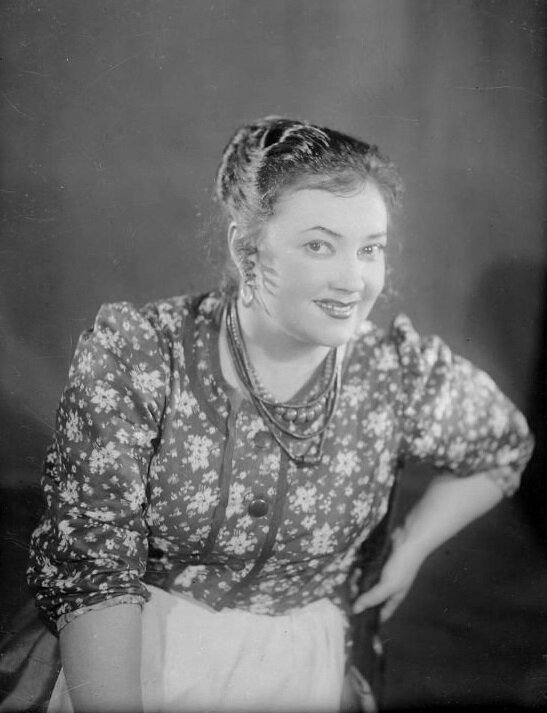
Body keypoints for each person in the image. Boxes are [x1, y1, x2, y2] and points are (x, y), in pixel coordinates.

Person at [26, 116, 534, 713]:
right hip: (137, 659)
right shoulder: (138, 355)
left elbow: (505, 445)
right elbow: (93, 572)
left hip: (303, 673)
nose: (353, 281)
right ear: (247, 250)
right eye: (319, 245)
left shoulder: (395, 370)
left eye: (370, 249)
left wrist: (410, 548)